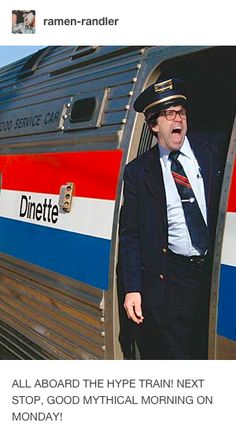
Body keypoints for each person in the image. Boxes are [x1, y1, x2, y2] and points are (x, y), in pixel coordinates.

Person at [117, 77, 223, 360]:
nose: (178, 118)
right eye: (169, 113)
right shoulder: (139, 172)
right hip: (173, 279)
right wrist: (133, 289)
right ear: (154, 125)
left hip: (216, 271)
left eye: (182, 112)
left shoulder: (213, 151)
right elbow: (130, 235)